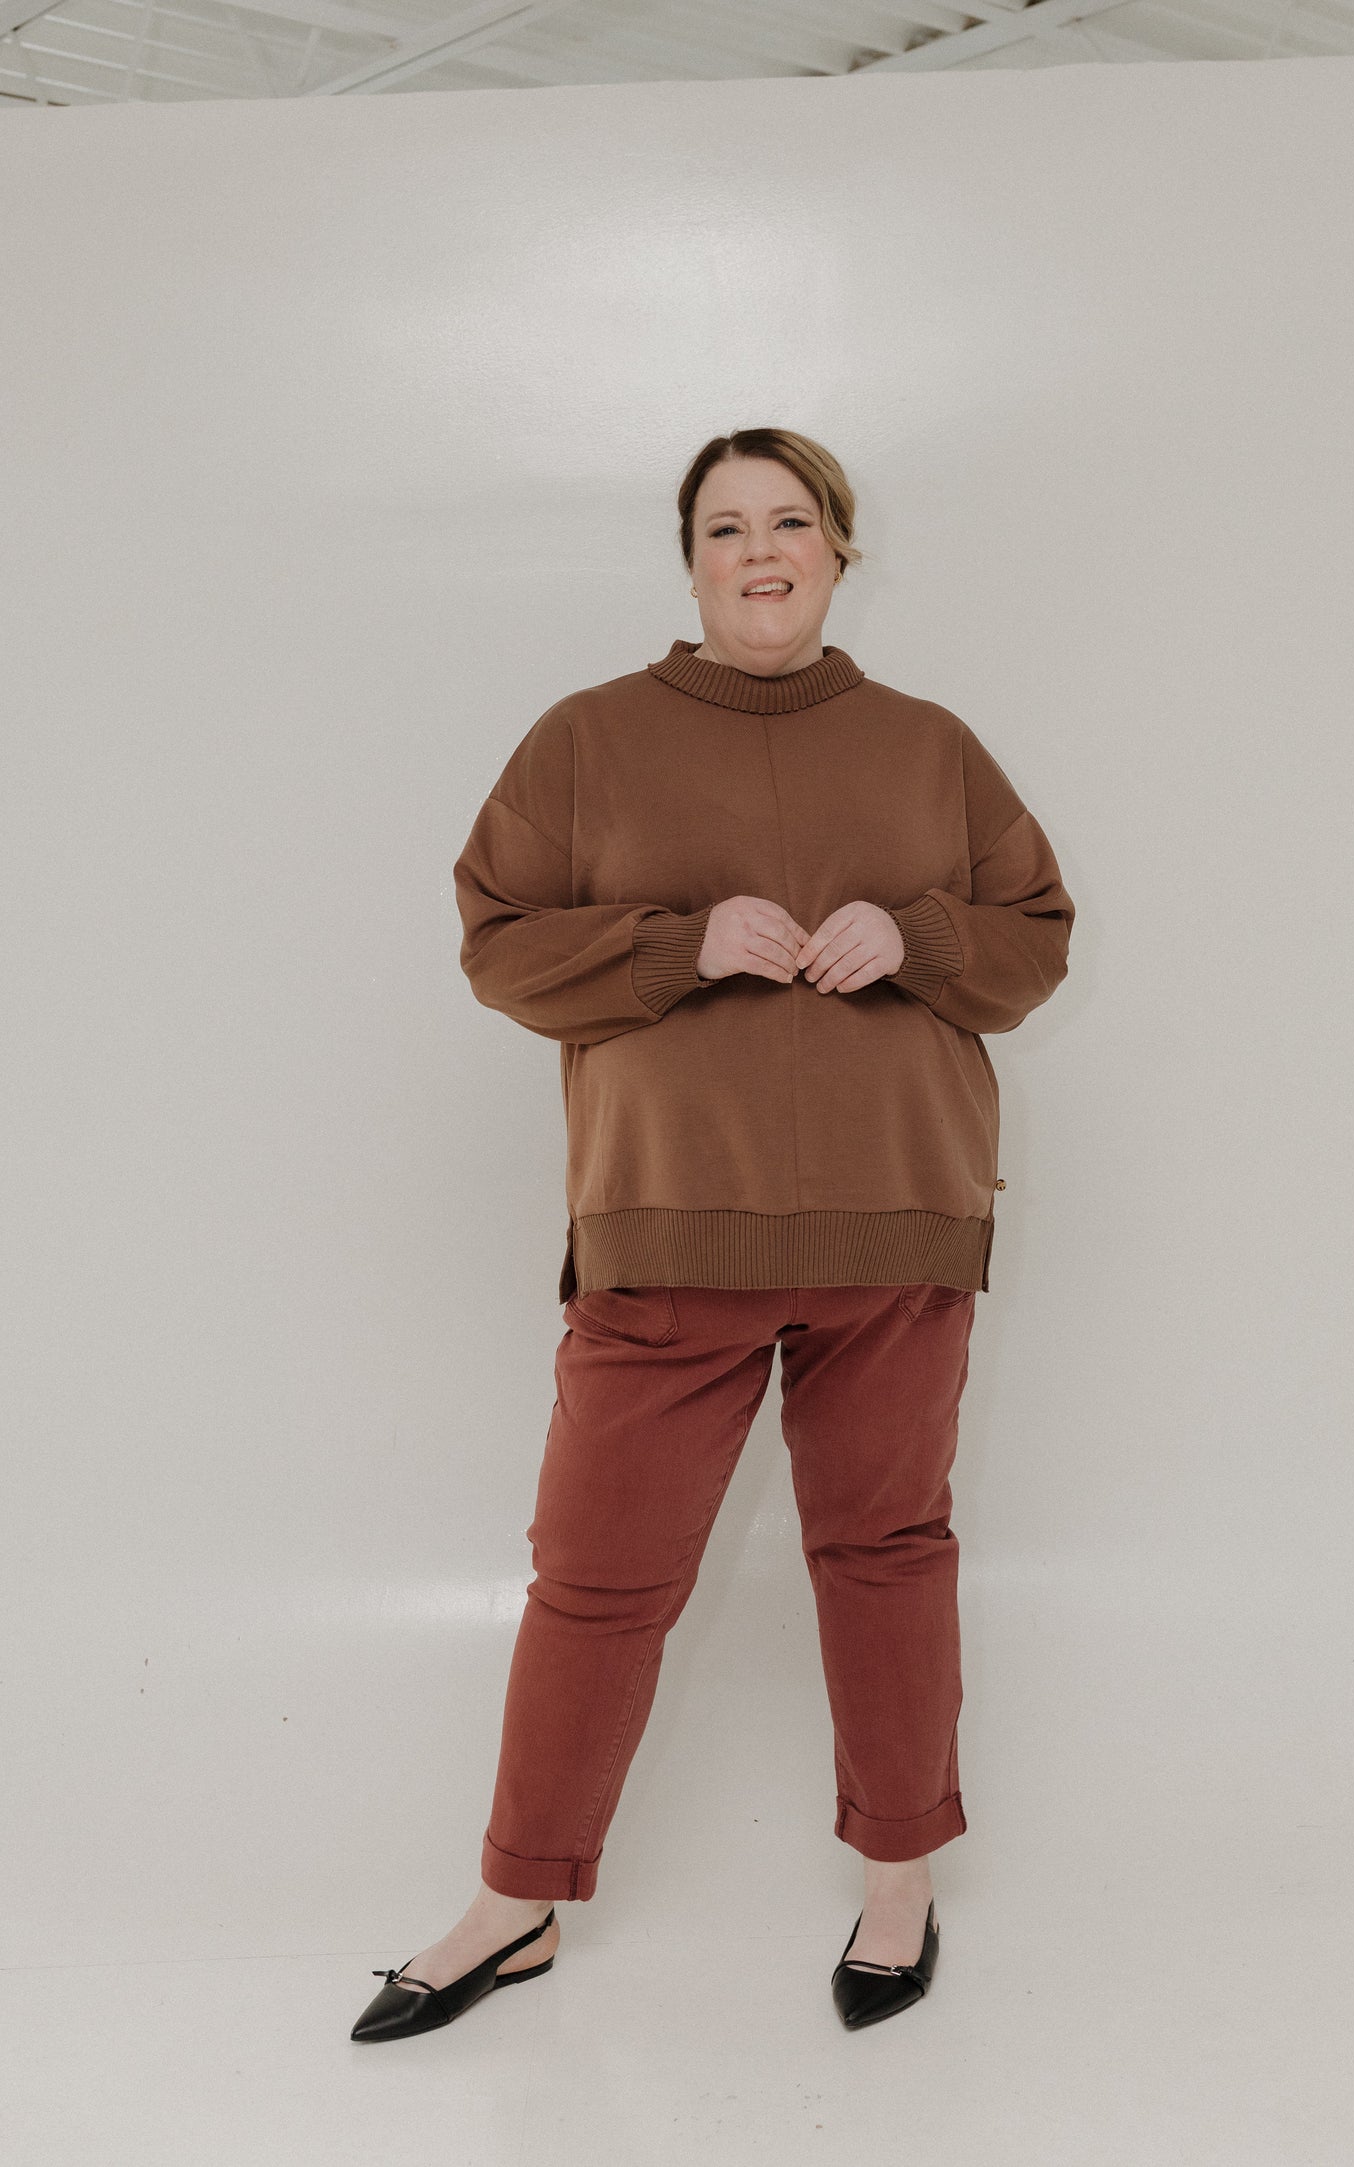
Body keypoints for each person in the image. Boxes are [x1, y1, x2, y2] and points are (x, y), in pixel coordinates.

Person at [351, 425, 1075, 2042]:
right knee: (595, 1581)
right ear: (688, 560)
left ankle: (900, 1879)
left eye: (792, 521)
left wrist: (922, 930)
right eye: (727, 526)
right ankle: (516, 1898)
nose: (762, 549)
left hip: (896, 1232)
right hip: (667, 1238)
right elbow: (498, 940)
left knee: (884, 1558)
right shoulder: (589, 739)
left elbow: (1033, 943)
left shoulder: (928, 745)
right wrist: (674, 944)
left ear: (838, 547)